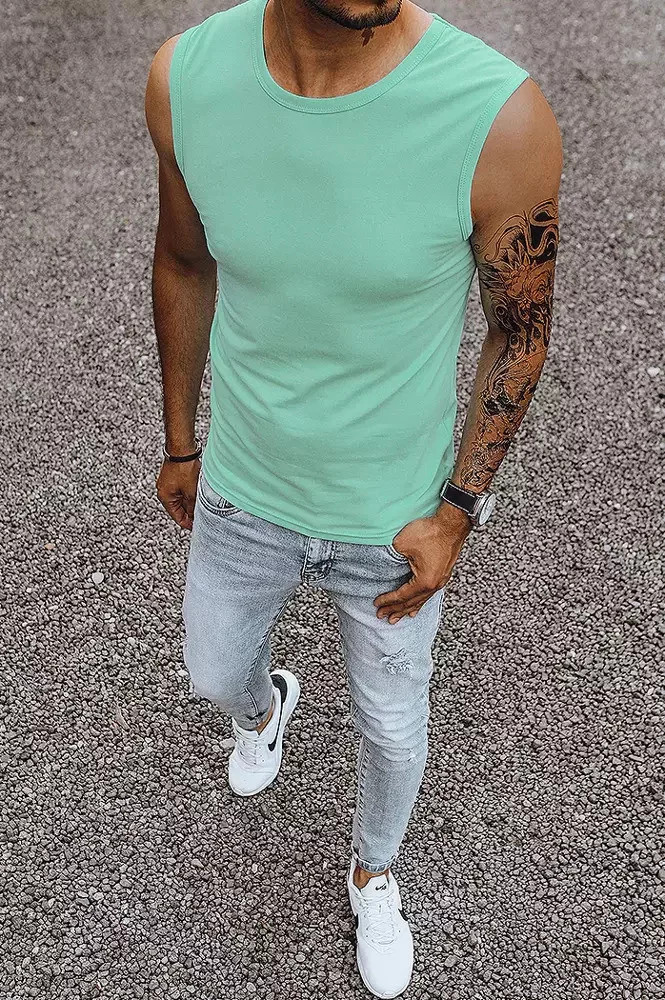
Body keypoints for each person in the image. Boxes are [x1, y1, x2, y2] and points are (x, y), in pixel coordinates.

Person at [144, 0, 562, 994]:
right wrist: (180, 443)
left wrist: (456, 513)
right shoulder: (185, 80)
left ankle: (373, 871)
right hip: (244, 486)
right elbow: (183, 260)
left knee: (393, 731)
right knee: (212, 672)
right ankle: (264, 711)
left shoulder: (496, 114)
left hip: (392, 521)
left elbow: (520, 329)